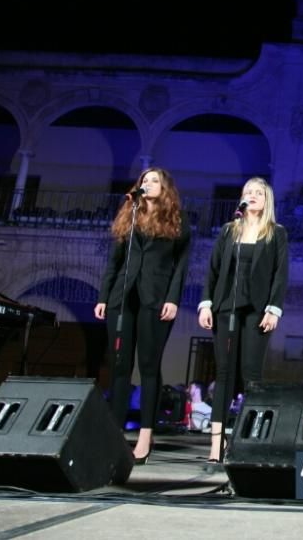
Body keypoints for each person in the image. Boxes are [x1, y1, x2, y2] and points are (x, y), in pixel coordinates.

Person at [95, 167, 191, 463]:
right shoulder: (130, 215)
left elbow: (181, 265)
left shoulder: (177, 221)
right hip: (122, 300)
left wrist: (173, 299)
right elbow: (115, 262)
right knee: (120, 367)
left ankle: (146, 436)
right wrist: (103, 296)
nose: (147, 184)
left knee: (149, 367)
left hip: (156, 300)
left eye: (154, 181)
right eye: (144, 180)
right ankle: (112, 434)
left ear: (165, 188)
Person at [197, 177, 288, 471]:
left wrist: (274, 309)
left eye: (258, 192)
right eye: (248, 192)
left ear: (267, 199)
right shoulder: (229, 231)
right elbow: (212, 270)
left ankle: (250, 443)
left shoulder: (276, 233)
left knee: (251, 375)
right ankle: (216, 447)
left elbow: (280, 274)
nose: (252, 196)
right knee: (223, 374)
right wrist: (206, 302)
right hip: (226, 308)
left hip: (257, 311)